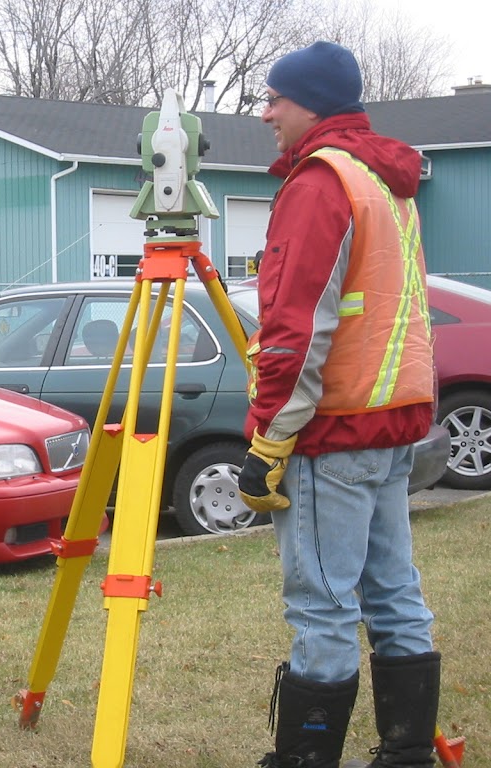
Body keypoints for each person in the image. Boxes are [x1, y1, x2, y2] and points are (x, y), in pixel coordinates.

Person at [237, 41, 441, 768]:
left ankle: (306, 757)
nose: (265, 114)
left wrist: (268, 440)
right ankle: (407, 750)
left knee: (322, 602)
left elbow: (296, 327)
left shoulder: (321, 182)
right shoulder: (385, 180)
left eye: (275, 99)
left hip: (334, 429)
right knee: (392, 591)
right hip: (392, 421)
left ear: (311, 102)